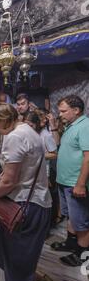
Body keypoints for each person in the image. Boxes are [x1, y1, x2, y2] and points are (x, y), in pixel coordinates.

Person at [0, 103, 51, 281]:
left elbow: (9, 180)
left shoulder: (15, 137)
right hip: (38, 202)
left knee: (16, 259)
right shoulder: (29, 130)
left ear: (5, 120)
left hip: (23, 206)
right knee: (26, 257)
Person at [50, 95, 89, 267]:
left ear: (76, 110)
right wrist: (53, 128)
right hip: (64, 181)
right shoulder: (70, 126)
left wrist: (80, 184)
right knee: (72, 217)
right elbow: (59, 146)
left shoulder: (85, 126)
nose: (60, 114)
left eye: (64, 111)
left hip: (75, 183)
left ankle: (83, 254)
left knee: (81, 221)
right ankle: (71, 243)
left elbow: (88, 157)